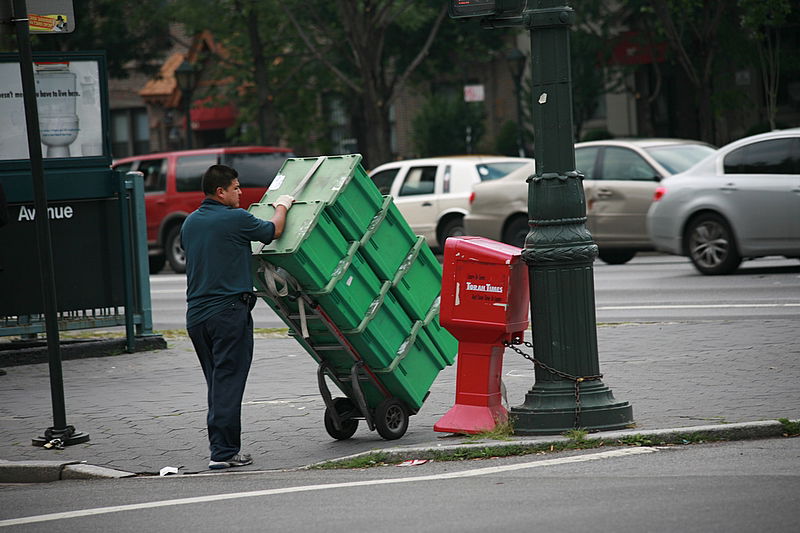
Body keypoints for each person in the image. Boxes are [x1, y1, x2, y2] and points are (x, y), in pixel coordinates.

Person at [181, 164, 294, 470]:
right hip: (228, 314)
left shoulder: (190, 223)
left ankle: (221, 447)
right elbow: (273, 231)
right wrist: (282, 205)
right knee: (228, 383)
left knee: (217, 383)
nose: (240, 192)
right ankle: (223, 452)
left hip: (197, 317)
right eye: (236, 187)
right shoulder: (235, 218)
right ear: (221, 192)